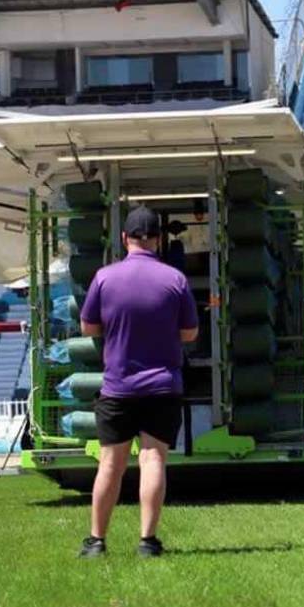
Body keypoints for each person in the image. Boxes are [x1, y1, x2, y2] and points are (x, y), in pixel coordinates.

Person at [77, 205, 199, 558]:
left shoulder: (104, 277)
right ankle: (147, 541)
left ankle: (96, 542)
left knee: (110, 464)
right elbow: (190, 333)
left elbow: (88, 326)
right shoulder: (175, 279)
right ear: (158, 240)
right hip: (162, 385)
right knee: (153, 460)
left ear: (124, 238)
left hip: (118, 386)